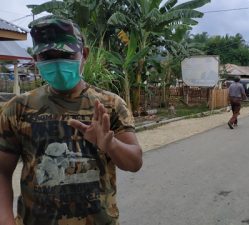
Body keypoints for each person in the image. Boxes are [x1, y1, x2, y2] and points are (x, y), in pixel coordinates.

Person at [0, 15, 143, 225]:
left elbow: (135, 162)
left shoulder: (110, 105)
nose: (56, 62)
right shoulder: (17, 108)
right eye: (47, 55)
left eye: (65, 54)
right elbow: (2, 171)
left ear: (84, 54)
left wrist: (110, 144)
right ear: (36, 59)